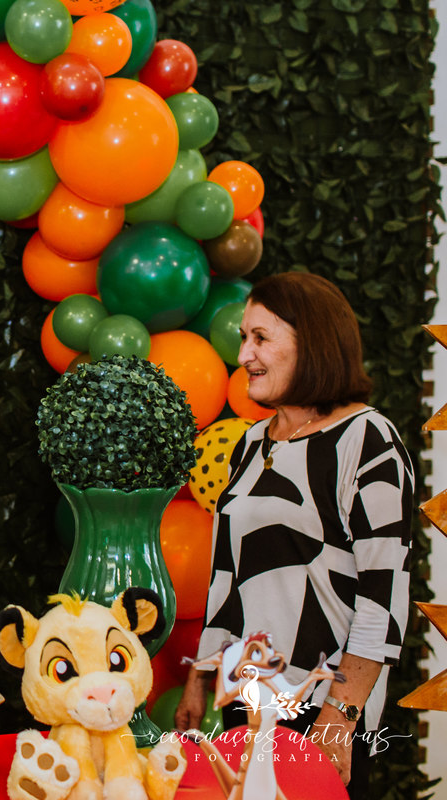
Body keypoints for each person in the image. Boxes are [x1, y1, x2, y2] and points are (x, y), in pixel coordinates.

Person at [174, 272, 413, 798]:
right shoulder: (250, 443)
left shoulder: (368, 439)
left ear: (315, 342)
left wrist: (341, 716)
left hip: (324, 703)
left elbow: (384, 596)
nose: (244, 354)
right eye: (243, 337)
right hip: (247, 697)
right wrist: (198, 677)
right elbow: (225, 576)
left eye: (261, 337)